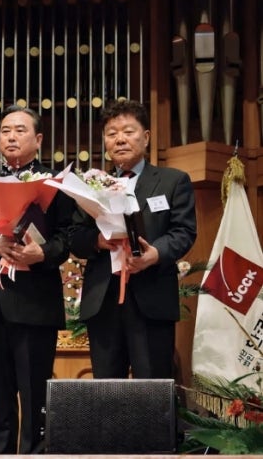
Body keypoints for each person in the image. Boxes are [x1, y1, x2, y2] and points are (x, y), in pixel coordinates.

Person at [0, 105, 74, 454]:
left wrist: (43, 253)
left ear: (38, 139)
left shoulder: (55, 184)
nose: (11, 136)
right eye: (5, 130)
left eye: (20, 130)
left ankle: (35, 453)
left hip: (34, 300)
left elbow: (68, 237)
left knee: (35, 391)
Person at [70, 99, 197, 378]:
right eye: (112, 133)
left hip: (151, 298)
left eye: (128, 131)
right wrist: (97, 241)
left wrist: (154, 254)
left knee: (152, 389)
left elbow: (184, 232)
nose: (120, 139)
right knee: (106, 391)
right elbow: (74, 236)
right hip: (103, 300)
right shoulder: (92, 185)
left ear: (146, 137)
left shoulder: (172, 181)